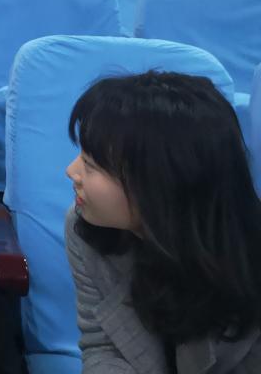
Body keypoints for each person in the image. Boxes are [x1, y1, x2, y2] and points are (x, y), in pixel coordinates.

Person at [65, 72, 261, 373]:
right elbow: (102, 345)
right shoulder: (87, 229)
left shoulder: (248, 257)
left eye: (91, 165)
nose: (71, 171)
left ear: (155, 185)